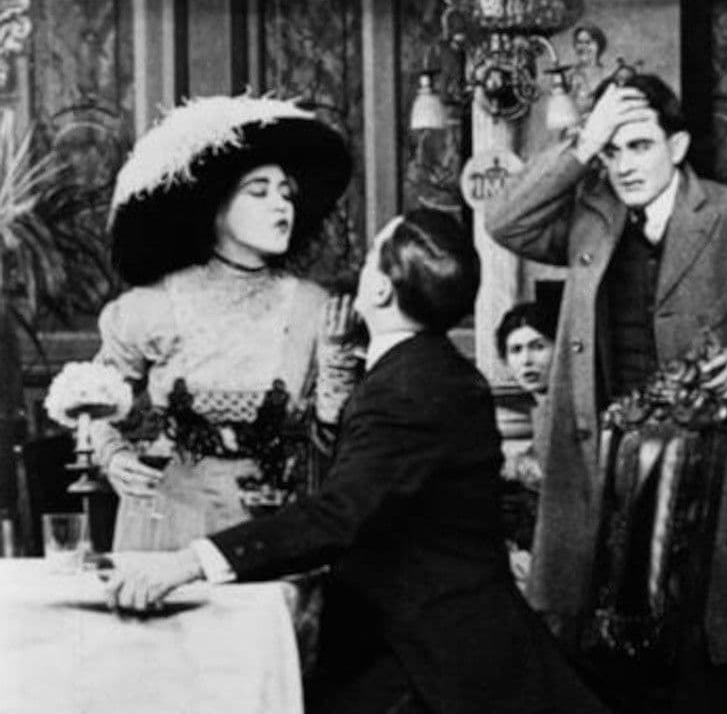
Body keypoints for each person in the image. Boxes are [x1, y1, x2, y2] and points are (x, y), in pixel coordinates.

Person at [101, 211, 612, 714]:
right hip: (425, 639)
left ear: (381, 291)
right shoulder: (426, 371)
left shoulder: (409, 387)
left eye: (369, 259)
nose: (360, 271)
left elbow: (338, 515)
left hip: (434, 661)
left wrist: (189, 561)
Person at [487, 72, 727, 710]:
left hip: (709, 470)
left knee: (708, 661)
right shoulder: (589, 217)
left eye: (639, 145)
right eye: (612, 151)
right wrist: (583, 142)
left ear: (677, 145)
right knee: (604, 661)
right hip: (599, 468)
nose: (623, 166)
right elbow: (505, 220)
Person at [92, 94, 360, 552]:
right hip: (165, 525)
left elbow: (337, 447)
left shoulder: (314, 308)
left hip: (268, 530)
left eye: (286, 194)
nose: (281, 206)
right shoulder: (151, 308)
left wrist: (336, 383)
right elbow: (92, 405)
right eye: (259, 192)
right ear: (214, 205)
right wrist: (113, 457)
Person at [494, 301, 557, 586]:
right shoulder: (540, 409)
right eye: (516, 350)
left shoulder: (566, 411)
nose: (526, 360)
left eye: (538, 346)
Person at [568, 24, 610, 114]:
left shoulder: (609, 75)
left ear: (599, 45)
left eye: (588, 42)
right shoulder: (569, 76)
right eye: (579, 42)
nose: (583, 47)